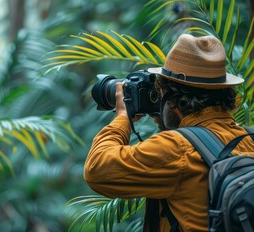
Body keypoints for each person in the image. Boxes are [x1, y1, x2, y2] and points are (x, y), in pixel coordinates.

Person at [83, 34, 254, 231]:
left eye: (161, 96)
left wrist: (123, 116)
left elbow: (97, 170)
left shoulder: (177, 148)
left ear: (173, 102)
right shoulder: (249, 139)